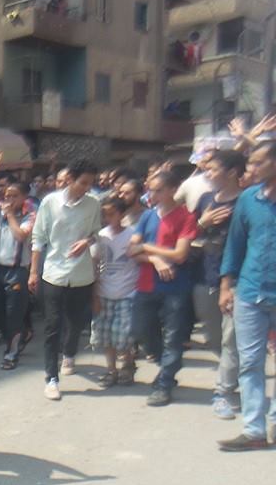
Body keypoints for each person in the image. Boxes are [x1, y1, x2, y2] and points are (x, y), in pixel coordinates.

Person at [216, 141, 276, 451]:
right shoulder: (248, 199)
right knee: (250, 363)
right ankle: (254, 431)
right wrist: (226, 286)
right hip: (251, 292)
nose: (249, 169)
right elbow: (235, 245)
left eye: (256, 163)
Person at [29, 158, 102, 401]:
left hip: (81, 275)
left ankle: (69, 353)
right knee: (52, 326)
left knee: (76, 322)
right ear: (70, 179)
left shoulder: (93, 204)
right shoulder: (50, 202)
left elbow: (96, 233)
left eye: (90, 183)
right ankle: (51, 378)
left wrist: (87, 241)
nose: (87, 188)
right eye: (83, 183)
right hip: (53, 273)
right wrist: (33, 271)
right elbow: (38, 238)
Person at [128, 171, 197, 407]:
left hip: (175, 286)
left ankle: (164, 383)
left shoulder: (186, 217)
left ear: (172, 190)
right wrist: (155, 259)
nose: (152, 194)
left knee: (174, 336)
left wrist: (147, 248)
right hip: (146, 284)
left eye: (158, 190)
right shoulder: (148, 216)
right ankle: (168, 365)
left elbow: (180, 255)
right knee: (141, 330)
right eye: (151, 189)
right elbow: (131, 251)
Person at [193, 150, 245, 420]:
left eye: (213, 169)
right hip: (204, 277)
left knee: (230, 339)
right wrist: (203, 222)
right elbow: (187, 234)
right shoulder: (205, 199)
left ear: (232, 172)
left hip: (236, 280)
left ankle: (223, 392)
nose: (208, 173)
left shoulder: (247, 201)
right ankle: (233, 378)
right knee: (214, 338)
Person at [90, 197, 139, 387]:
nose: (108, 217)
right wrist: (94, 295)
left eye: (112, 213)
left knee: (123, 335)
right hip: (104, 292)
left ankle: (127, 364)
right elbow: (95, 265)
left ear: (122, 214)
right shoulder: (101, 236)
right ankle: (111, 370)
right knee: (105, 335)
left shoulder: (132, 235)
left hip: (128, 292)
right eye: (105, 214)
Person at [0, 182, 35, 370]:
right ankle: (24, 332)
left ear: (24, 197)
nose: (9, 199)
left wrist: (9, 215)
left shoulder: (29, 216)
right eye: (7, 195)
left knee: (13, 315)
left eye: (14, 196)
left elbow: (21, 236)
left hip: (16, 271)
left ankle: (11, 353)